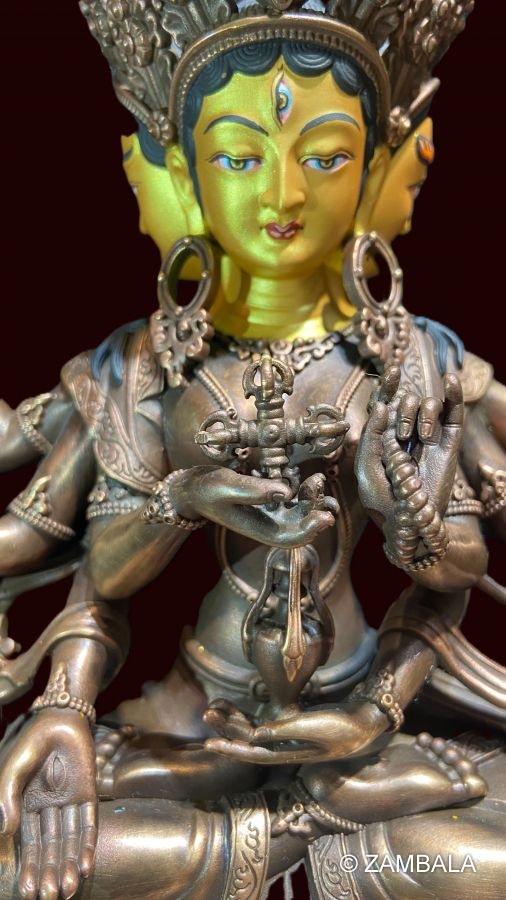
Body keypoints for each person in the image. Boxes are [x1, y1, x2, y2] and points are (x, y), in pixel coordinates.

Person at [0, 2, 505, 898]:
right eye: (239, 157)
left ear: (376, 169)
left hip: (366, 729)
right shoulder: (148, 365)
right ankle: (296, 834)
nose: (283, 196)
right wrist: (68, 704)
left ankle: (280, 836)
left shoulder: (415, 362)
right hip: (189, 726)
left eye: (326, 157)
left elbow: (451, 574)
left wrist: (380, 694)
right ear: (182, 175)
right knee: (15, 858)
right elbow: (102, 580)